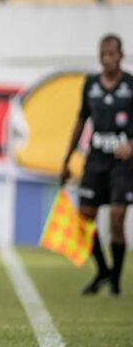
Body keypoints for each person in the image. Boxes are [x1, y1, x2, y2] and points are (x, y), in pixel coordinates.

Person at [60, 33, 132, 297]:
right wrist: (67, 159)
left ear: (121, 56)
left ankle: (115, 281)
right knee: (85, 218)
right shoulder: (91, 84)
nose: (107, 59)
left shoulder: (131, 85)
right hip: (96, 160)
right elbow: (81, 121)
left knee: (117, 216)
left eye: (112, 54)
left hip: (123, 165)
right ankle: (103, 270)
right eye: (103, 55)